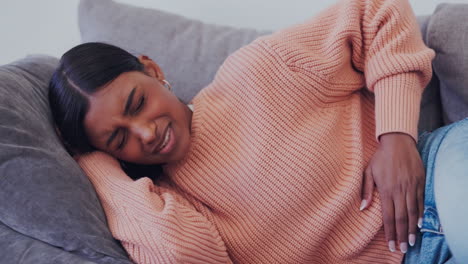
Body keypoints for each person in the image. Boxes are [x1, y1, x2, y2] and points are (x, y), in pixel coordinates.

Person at [48, 0, 464, 263]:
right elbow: (179, 255)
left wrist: (396, 136)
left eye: (137, 103)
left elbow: (376, 10)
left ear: (153, 70)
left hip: (439, 176)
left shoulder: (257, 70)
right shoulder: (171, 205)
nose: (145, 133)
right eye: (119, 140)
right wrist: (92, 162)